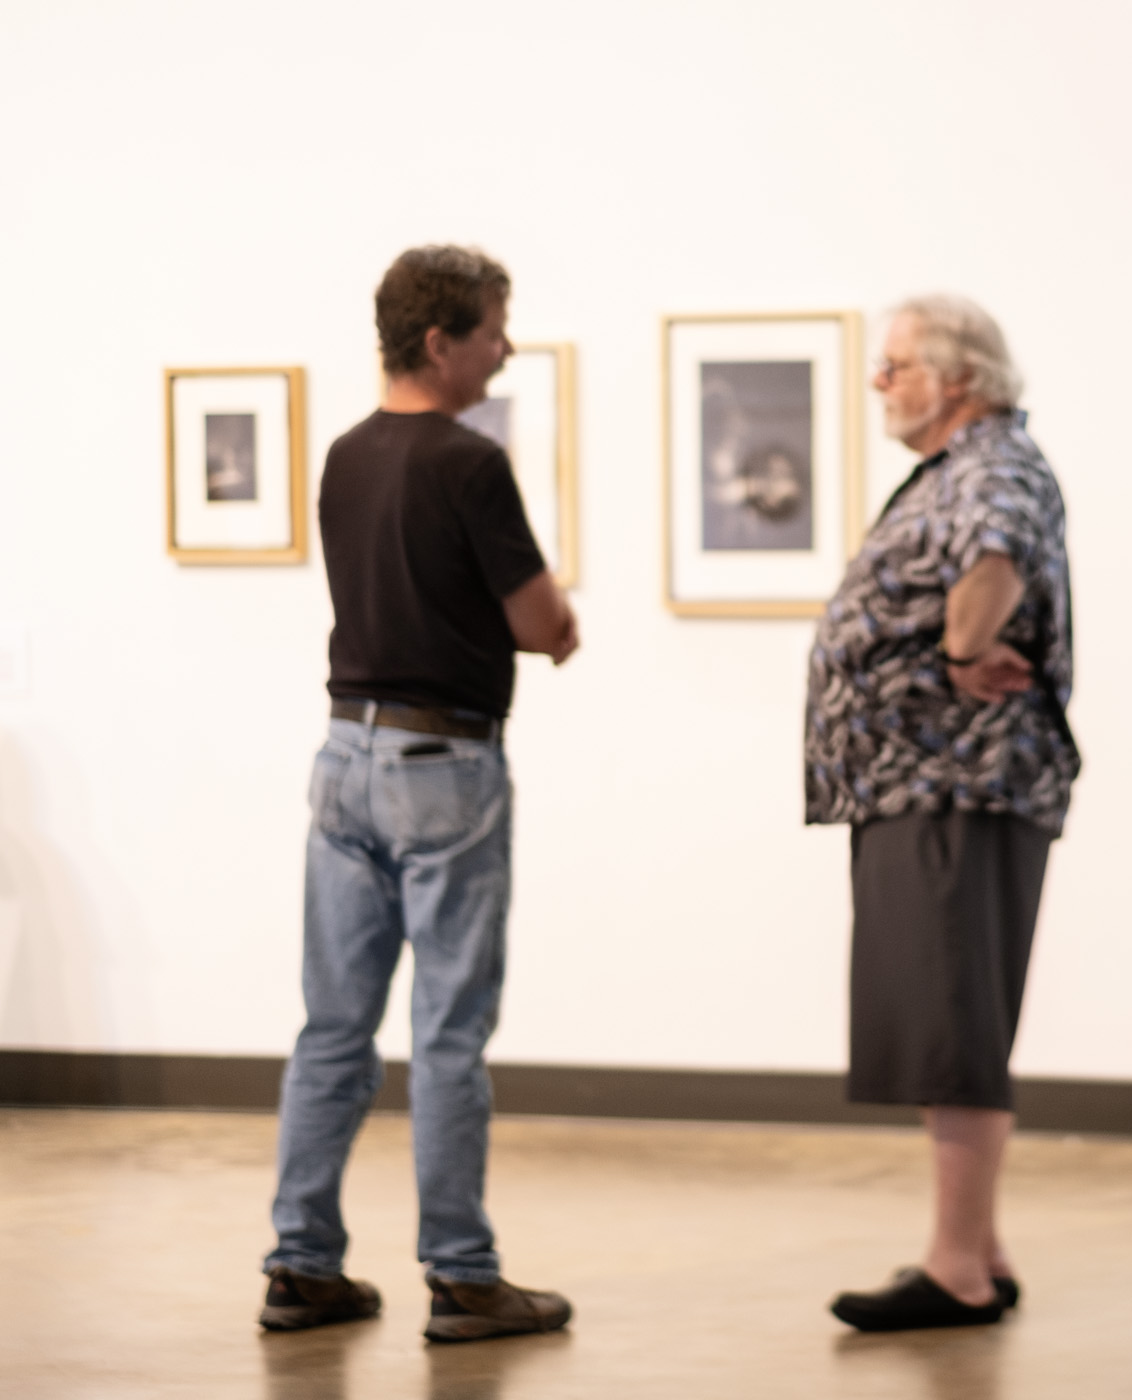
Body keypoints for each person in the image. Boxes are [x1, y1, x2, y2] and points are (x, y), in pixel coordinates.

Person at [258, 245, 579, 1344]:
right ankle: (463, 1271)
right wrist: (554, 626)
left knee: (333, 1028)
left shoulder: (347, 455)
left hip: (345, 757)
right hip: (447, 766)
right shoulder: (468, 463)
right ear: (439, 340)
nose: (507, 346)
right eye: (494, 328)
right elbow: (546, 623)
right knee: (448, 1032)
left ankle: (301, 1264)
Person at [805, 294, 1077, 1332]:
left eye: (896, 364)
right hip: (922, 782)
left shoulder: (994, 463)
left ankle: (955, 1262)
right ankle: (984, 1249)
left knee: (954, 1018)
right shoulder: (969, 464)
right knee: (943, 1014)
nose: (880, 381)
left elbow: (996, 557)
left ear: (960, 376)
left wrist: (965, 649)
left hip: (956, 779)